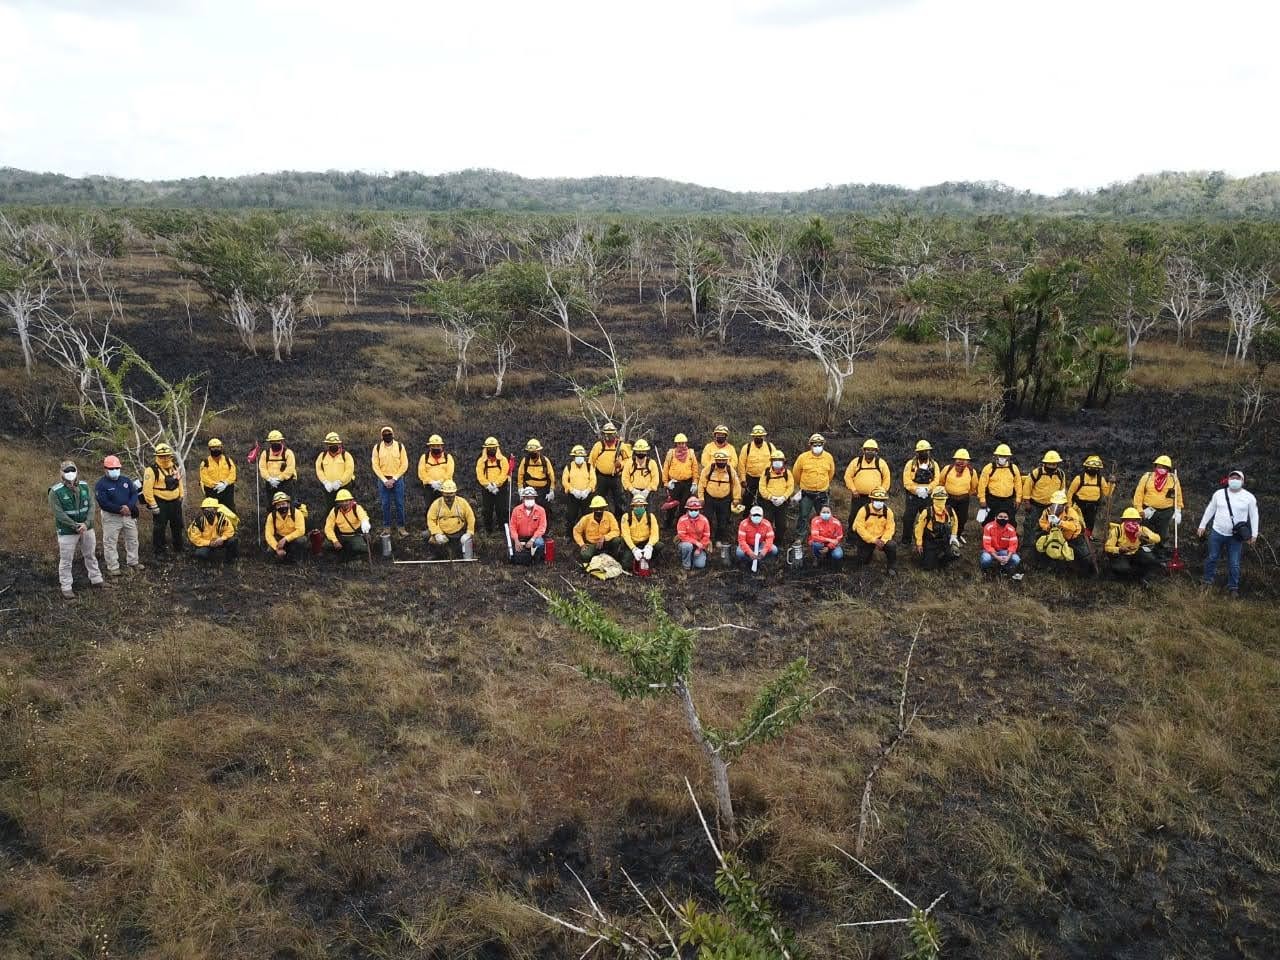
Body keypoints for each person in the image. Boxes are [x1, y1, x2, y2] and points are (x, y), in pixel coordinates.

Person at [50, 459, 108, 600]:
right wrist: (75, 526)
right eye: (67, 471)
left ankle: (96, 579)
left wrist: (86, 524)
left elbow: (91, 506)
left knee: (90, 555)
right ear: (61, 473)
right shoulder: (55, 491)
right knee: (66, 560)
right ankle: (66, 587)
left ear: (76, 471)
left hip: (87, 528)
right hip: (67, 531)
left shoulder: (84, 486)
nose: (70, 473)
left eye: (72, 470)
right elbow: (59, 514)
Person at [1198, 469, 1259, 597]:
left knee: (1234, 563)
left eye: (1238, 478)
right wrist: (1202, 525)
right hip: (1217, 532)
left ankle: (1233, 588)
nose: (1235, 480)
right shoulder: (1219, 494)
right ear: (1228, 479)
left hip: (1235, 536)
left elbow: (1254, 516)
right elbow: (1210, 509)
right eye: (1232, 478)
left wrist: (1254, 534)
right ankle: (1207, 582)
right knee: (1212, 557)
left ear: (1242, 481)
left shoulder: (1249, 497)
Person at [95, 454, 143, 577]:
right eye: (111, 469)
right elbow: (103, 503)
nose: (114, 471)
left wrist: (129, 507)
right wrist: (119, 509)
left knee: (133, 539)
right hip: (111, 517)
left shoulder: (125, 480)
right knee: (110, 542)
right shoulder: (101, 484)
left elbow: (134, 494)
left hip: (128, 515)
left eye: (117, 468)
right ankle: (113, 567)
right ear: (105, 469)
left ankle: (133, 562)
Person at [1133, 454, 1183, 560]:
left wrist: (1178, 510)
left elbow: (1178, 495)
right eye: (1159, 467)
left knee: (1163, 534)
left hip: (1166, 511)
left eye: (1164, 467)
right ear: (1155, 467)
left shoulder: (1173, 479)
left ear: (1168, 469)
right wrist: (1139, 509)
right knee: (1146, 532)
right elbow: (1139, 493)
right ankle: (1145, 552)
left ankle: (1160, 552)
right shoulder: (1147, 477)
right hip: (1148, 510)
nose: (1161, 469)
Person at [844, 439, 891, 543]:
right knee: (853, 517)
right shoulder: (856, 462)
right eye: (868, 450)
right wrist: (853, 489)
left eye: (872, 450)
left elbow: (887, 479)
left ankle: (874, 539)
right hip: (858, 496)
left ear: (876, 451)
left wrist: (881, 493)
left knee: (873, 518)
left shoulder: (881, 463)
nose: (870, 452)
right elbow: (848, 476)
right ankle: (851, 540)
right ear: (863, 450)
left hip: (875, 499)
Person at [143, 441, 185, 556]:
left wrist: (181, 496)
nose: (165, 458)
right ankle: (159, 551)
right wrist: (153, 505)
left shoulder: (174, 467)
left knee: (177, 525)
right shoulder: (151, 470)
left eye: (167, 455)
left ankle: (179, 548)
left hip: (175, 502)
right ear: (157, 456)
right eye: (162, 456)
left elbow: (179, 482)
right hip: (160, 503)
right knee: (159, 528)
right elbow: (147, 490)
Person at [1021, 450, 1067, 554]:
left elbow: (1062, 489)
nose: (1052, 466)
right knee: (1030, 526)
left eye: (1054, 464)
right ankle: (1027, 549)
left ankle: (1043, 548)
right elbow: (1027, 486)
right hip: (1035, 505)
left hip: (1052, 507)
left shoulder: (1061, 474)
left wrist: (1062, 504)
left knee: (1048, 527)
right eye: (1049, 464)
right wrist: (1027, 502)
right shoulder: (1037, 473)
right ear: (1044, 463)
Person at [792, 433, 836, 543]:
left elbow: (831, 474)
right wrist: (803, 485)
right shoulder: (803, 457)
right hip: (807, 493)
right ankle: (800, 536)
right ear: (810, 445)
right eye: (814, 444)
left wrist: (823, 484)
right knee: (803, 515)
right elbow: (796, 474)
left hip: (822, 493)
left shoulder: (828, 457)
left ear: (823, 445)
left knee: (823, 516)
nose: (817, 446)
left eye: (819, 444)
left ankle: (822, 536)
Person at [1035, 490, 1091, 574]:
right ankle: (1044, 568)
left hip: (1072, 538)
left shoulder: (1071, 512)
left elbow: (1074, 527)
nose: (1055, 507)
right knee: (1039, 544)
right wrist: (1048, 526)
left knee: (1084, 557)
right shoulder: (1047, 512)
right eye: (1053, 504)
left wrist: (1060, 523)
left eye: (1059, 505)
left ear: (1064, 505)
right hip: (1054, 536)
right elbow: (1042, 523)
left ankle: (1083, 574)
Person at [371, 425, 409, 537]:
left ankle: (401, 527)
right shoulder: (377, 447)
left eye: (389, 433)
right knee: (385, 504)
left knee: (400, 504)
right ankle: (386, 528)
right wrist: (384, 480)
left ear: (393, 434)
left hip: (397, 480)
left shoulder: (400, 446)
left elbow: (404, 464)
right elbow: (375, 465)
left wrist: (394, 479)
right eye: (385, 434)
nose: (387, 435)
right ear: (382, 436)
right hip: (383, 481)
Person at [698, 449, 742, 547]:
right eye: (719, 460)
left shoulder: (731, 470)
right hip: (709, 498)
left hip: (725, 500)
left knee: (723, 521)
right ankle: (707, 539)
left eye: (723, 460)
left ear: (727, 460)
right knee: (707, 519)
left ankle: (718, 539)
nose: (721, 462)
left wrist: (736, 498)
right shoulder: (709, 468)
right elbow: (701, 483)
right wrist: (701, 498)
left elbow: (736, 485)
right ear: (715, 460)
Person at [900, 440, 940, 545]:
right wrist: (916, 490)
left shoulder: (934, 465)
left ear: (929, 451)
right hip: (913, 496)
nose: (924, 453)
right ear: (917, 452)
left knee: (928, 518)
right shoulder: (910, 464)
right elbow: (906, 480)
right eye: (921, 451)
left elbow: (937, 480)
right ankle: (906, 541)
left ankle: (926, 540)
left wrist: (928, 489)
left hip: (927, 496)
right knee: (908, 518)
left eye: (926, 451)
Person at [1105, 507, 1160, 581]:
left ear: (1138, 521)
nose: (1132, 522)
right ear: (1124, 520)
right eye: (1129, 520)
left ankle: (1139, 576)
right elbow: (1107, 547)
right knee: (1122, 568)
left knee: (1150, 559)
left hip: (1136, 553)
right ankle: (1117, 574)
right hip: (1121, 555)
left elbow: (1157, 539)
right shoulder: (1117, 531)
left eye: (1135, 520)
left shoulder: (1141, 529)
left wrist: (1144, 536)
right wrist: (1119, 549)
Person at [426, 479, 475, 559]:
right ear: (442, 493)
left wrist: (469, 532)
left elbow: (470, 517)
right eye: (446, 496)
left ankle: (458, 553)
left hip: (458, 533)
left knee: (465, 543)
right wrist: (437, 533)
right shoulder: (436, 504)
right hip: (442, 533)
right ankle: (436, 555)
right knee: (426, 535)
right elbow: (430, 519)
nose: (449, 499)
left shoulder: (462, 502)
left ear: (455, 493)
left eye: (451, 496)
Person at [1067, 454, 1114, 538]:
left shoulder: (1100, 479)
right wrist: (1069, 506)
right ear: (1086, 467)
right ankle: (1076, 537)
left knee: (1089, 524)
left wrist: (1111, 483)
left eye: (1096, 468)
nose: (1093, 470)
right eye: (1091, 467)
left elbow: (1107, 493)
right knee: (1077, 522)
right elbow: (1070, 493)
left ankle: (1087, 538)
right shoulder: (1079, 478)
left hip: (1093, 506)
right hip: (1079, 506)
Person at [977, 443, 1021, 532]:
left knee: (1011, 520)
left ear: (1008, 457)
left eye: (1005, 456)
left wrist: (1018, 499)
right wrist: (982, 499)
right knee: (988, 520)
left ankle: (1010, 537)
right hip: (992, 499)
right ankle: (988, 536)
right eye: (1001, 455)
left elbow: (1018, 484)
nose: (1003, 458)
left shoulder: (1013, 468)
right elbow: (982, 485)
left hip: (1008, 500)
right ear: (996, 456)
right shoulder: (989, 468)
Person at [914, 486, 960, 571]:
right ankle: (930, 557)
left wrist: (953, 536)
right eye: (938, 499)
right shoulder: (927, 512)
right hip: (931, 541)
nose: (940, 502)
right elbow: (919, 529)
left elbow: (955, 523)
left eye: (942, 499)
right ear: (933, 499)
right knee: (928, 567)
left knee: (954, 554)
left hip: (945, 539)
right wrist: (919, 544)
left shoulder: (950, 511)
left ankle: (942, 560)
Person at [589, 422, 631, 515]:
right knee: (598, 500)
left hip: (616, 478)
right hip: (601, 478)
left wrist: (620, 464)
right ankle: (598, 519)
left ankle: (619, 522)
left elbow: (629, 460)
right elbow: (591, 462)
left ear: (615, 433)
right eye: (607, 434)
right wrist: (591, 477)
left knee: (620, 501)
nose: (609, 436)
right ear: (603, 434)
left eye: (611, 433)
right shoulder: (598, 446)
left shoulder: (621, 446)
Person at [852, 488, 897, 574]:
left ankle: (892, 567)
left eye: (882, 500)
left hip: (881, 537)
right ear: (872, 500)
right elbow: (860, 528)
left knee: (892, 545)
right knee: (863, 560)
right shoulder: (864, 510)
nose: (879, 502)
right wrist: (873, 540)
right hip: (866, 537)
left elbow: (890, 528)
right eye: (877, 500)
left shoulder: (888, 512)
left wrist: (883, 541)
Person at [661, 433, 699, 531]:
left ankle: (680, 525)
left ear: (685, 443)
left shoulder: (691, 453)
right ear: (676, 444)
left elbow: (695, 468)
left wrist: (695, 482)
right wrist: (666, 483)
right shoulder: (671, 453)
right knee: (672, 504)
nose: (681, 445)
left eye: (683, 443)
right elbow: (665, 468)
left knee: (684, 505)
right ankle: (667, 524)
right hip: (674, 483)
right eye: (679, 443)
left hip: (687, 483)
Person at [938, 449, 978, 538]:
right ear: (955, 459)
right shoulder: (947, 469)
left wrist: (964, 494)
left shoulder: (972, 472)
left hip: (963, 500)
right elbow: (941, 482)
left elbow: (973, 487)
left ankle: (958, 536)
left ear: (967, 461)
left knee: (962, 519)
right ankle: (946, 536)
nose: (961, 462)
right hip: (949, 499)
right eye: (959, 459)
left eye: (964, 460)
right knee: (947, 518)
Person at [475, 436, 511, 535]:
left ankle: (503, 530)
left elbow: (504, 473)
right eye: (489, 448)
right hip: (487, 489)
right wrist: (488, 486)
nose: (491, 450)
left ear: (497, 448)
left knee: (501, 509)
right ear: (486, 448)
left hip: (500, 488)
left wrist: (496, 484)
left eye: (493, 448)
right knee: (487, 509)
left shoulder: (503, 460)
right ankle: (488, 530)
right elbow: (480, 475)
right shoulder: (481, 461)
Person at [187, 497, 240, 563]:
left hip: (220, 541)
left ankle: (230, 560)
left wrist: (222, 538)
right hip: (206, 544)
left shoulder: (223, 519)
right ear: (203, 511)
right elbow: (195, 538)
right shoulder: (198, 522)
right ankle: (207, 565)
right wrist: (209, 543)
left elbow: (230, 530)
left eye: (211, 510)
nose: (209, 513)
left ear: (216, 510)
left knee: (233, 540)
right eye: (206, 510)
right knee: (201, 553)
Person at [573, 495, 624, 563]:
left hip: (606, 542)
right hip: (592, 544)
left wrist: (604, 537)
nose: (599, 511)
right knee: (585, 555)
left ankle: (613, 557)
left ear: (604, 508)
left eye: (601, 508)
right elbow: (576, 531)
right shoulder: (585, 519)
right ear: (593, 509)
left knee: (617, 540)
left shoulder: (609, 516)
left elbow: (616, 531)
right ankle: (595, 558)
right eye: (597, 509)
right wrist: (582, 544)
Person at [562, 444, 597, 538]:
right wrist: (572, 490)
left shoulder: (589, 467)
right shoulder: (569, 467)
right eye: (577, 456)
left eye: (581, 456)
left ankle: (587, 536)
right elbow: (564, 481)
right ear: (574, 457)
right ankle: (569, 536)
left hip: (586, 495)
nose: (579, 458)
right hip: (573, 496)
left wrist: (588, 490)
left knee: (587, 516)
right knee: (571, 516)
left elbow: (593, 480)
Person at [315, 431, 355, 514]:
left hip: (344, 487)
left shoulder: (346, 455)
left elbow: (349, 470)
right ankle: (331, 526)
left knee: (346, 508)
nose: (332, 446)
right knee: (330, 509)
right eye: (330, 444)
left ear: (339, 444)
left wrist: (340, 482)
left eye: (335, 444)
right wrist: (325, 482)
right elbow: (319, 470)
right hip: (329, 488)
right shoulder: (322, 456)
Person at [324, 488, 371, 558]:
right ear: (338, 502)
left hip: (354, 536)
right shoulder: (334, 511)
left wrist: (365, 523)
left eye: (346, 501)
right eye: (341, 501)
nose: (344, 503)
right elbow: (328, 528)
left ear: (351, 501)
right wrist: (335, 541)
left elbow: (363, 517)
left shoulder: (357, 508)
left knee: (361, 549)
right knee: (325, 544)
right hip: (340, 536)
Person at [621, 491, 662, 570]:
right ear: (632, 507)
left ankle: (651, 558)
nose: (639, 508)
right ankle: (633, 557)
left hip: (645, 542)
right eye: (636, 506)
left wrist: (649, 546)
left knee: (659, 545)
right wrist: (633, 549)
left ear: (645, 507)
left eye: (641, 506)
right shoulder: (626, 517)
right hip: (632, 543)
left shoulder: (650, 516)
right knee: (626, 565)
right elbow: (626, 535)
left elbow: (655, 533)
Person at [417, 434, 455, 518]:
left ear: (442, 446)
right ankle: (430, 527)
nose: (436, 448)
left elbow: (450, 472)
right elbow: (421, 473)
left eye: (438, 446)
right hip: (429, 487)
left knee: (445, 507)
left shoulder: (448, 457)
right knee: (429, 507)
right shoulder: (424, 457)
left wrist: (441, 482)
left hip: (445, 487)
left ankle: (446, 526)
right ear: (429, 447)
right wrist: (431, 482)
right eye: (433, 446)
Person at [265, 491, 308, 562]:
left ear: (288, 504)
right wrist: (276, 548)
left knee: (301, 540)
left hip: (293, 539)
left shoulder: (297, 513)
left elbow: (301, 531)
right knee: (270, 552)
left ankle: (296, 558)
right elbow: (268, 534)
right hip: (279, 538)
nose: (281, 506)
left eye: (283, 503)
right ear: (275, 506)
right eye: (278, 505)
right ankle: (281, 556)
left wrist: (285, 539)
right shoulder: (271, 516)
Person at [757, 450, 794, 536]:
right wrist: (770, 497)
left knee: (782, 525)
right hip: (768, 503)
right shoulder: (766, 473)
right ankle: (766, 542)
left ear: (783, 461)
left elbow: (790, 487)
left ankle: (778, 543)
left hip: (782, 503)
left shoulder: (787, 473)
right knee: (766, 524)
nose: (777, 462)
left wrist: (783, 497)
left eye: (779, 460)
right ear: (771, 461)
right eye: (775, 460)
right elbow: (762, 487)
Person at [508, 486, 548, 563]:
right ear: (523, 498)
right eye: (527, 498)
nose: (529, 499)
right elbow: (512, 527)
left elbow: (542, 527)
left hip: (535, 537)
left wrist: (532, 539)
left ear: (534, 498)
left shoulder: (541, 510)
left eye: (531, 498)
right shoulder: (516, 510)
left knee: (539, 543)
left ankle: (536, 560)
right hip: (520, 537)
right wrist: (516, 540)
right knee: (513, 548)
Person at [517, 439, 556, 518]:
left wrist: (551, 490)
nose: (532, 454)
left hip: (543, 490)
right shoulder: (525, 461)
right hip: (529, 489)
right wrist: (520, 488)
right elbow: (520, 475)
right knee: (527, 510)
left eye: (534, 452)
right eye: (530, 452)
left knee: (544, 510)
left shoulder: (545, 461)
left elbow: (552, 476)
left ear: (539, 451)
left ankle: (544, 529)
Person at [738, 425, 774, 505]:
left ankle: (764, 515)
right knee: (748, 499)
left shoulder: (770, 447)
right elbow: (741, 464)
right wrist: (743, 479)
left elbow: (775, 460)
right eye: (756, 436)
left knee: (765, 499)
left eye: (760, 436)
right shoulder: (746, 448)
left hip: (766, 477)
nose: (758, 438)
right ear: (753, 436)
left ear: (763, 436)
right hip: (750, 478)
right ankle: (746, 515)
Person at [979, 510, 1021, 577]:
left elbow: (1013, 545)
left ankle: (1004, 569)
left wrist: (1008, 557)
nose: (1003, 519)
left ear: (1008, 519)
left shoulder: (1011, 529)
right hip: (990, 552)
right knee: (986, 559)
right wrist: (996, 557)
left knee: (1016, 559)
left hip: (1004, 552)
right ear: (995, 518)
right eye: (1000, 516)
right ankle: (985, 570)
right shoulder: (988, 527)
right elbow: (987, 545)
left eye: (1005, 517)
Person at [735, 504, 778, 569]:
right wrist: (750, 553)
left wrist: (764, 551)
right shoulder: (743, 524)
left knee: (774, 550)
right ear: (750, 515)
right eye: (754, 515)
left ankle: (761, 560)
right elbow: (741, 541)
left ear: (762, 516)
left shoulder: (767, 524)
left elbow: (770, 538)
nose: (756, 517)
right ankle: (750, 561)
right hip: (748, 544)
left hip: (761, 544)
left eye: (759, 515)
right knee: (739, 553)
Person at [199, 438, 237, 510]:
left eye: (218, 447)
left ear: (221, 448)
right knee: (213, 512)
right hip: (212, 491)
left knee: (230, 512)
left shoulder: (228, 460)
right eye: (213, 447)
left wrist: (225, 483)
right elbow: (204, 478)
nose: (216, 449)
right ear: (209, 449)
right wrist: (216, 485)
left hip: (227, 490)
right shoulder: (205, 463)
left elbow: (233, 474)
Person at [676, 497, 712, 571]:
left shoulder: (704, 520)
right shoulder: (682, 520)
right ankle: (686, 564)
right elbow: (682, 536)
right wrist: (695, 542)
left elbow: (706, 536)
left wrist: (699, 549)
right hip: (686, 543)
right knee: (687, 546)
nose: (694, 511)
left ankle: (697, 555)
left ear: (699, 510)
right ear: (687, 510)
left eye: (696, 510)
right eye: (691, 510)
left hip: (700, 545)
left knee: (700, 565)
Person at [258, 429, 297, 498]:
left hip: (286, 483)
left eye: (277, 441)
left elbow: (290, 469)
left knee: (288, 504)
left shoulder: (288, 453)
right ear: (270, 443)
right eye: (273, 442)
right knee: (270, 506)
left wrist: (279, 479)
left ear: (281, 441)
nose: (275, 443)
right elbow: (262, 468)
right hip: (270, 483)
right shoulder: (265, 453)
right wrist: (269, 479)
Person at [622, 439, 660, 504]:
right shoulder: (629, 463)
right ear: (635, 451)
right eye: (639, 451)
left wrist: (648, 490)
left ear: (646, 451)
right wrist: (632, 490)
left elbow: (655, 479)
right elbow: (625, 478)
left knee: (647, 513)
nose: (641, 453)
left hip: (647, 493)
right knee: (630, 512)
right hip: (632, 493)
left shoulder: (652, 463)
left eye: (643, 451)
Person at [809, 503, 844, 569]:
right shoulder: (815, 521)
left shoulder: (836, 523)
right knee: (816, 545)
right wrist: (829, 540)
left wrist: (829, 547)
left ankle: (830, 556)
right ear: (820, 512)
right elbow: (815, 537)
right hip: (819, 543)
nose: (826, 514)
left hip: (832, 544)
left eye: (828, 512)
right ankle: (817, 557)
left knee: (838, 555)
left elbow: (839, 537)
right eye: (823, 512)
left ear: (831, 513)